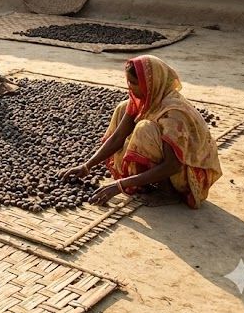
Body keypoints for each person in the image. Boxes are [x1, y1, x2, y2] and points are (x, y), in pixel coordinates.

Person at [59, 56, 222, 208]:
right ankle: (147, 180)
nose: (129, 87)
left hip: (190, 173)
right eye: (128, 81)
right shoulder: (146, 99)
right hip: (172, 166)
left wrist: (120, 186)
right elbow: (118, 137)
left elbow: (172, 165)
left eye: (134, 83)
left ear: (150, 83)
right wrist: (87, 165)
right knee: (123, 108)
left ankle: (168, 192)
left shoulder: (174, 112)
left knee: (145, 129)